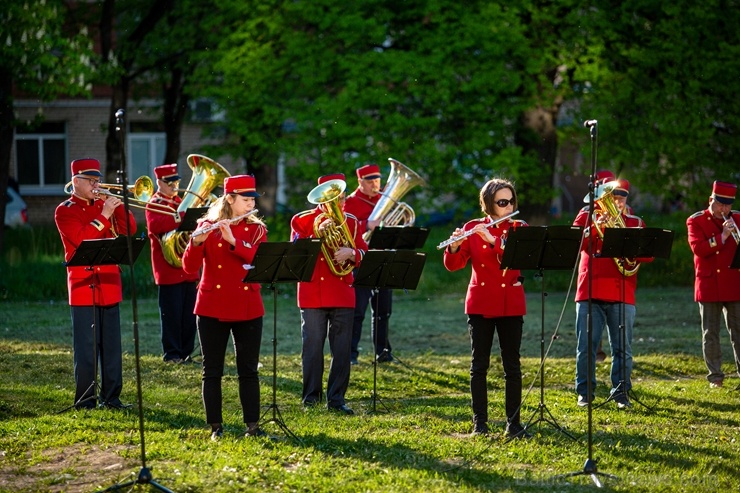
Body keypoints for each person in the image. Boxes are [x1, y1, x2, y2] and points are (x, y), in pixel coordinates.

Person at [181, 174, 267, 440]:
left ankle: (252, 425)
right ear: (229, 199)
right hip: (211, 306)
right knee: (212, 369)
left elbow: (260, 262)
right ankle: (215, 427)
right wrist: (195, 242)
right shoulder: (205, 225)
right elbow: (188, 268)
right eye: (245, 199)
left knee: (248, 369)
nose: (251, 203)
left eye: (252, 199)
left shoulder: (256, 229)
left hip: (247, 305)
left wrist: (233, 240)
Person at [442, 177, 529, 439]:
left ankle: (513, 423)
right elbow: (453, 265)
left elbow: (516, 262)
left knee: (512, 366)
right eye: (502, 202)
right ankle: (479, 423)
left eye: (511, 201)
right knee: (478, 365)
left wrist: (494, 240)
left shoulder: (520, 227)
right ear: (489, 203)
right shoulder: (473, 227)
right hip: (480, 302)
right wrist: (454, 246)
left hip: (511, 303)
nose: (508, 205)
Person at [54, 158, 137, 410]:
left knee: (112, 349)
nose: (96, 184)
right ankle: (85, 400)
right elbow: (81, 240)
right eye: (90, 180)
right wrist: (104, 214)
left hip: (109, 283)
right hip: (83, 287)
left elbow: (129, 231)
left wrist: (119, 206)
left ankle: (112, 397)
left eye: (97, 179)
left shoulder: (104, 204)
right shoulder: (64, 210)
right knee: (87, 350)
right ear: (75, 181)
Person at [290, 173, 369, 415]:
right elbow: (295, 253)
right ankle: (310, 399)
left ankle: (337, 399)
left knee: (342, 349)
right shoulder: (301, 220)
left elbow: (365, 252)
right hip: (313, 292)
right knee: (312, 348)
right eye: (336, 198)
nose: (342, 203)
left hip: (342, 291)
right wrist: (315, 234)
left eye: (343, 197)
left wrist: (352, 254)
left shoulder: (353, 222)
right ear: (321, 199)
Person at [573, 178, 651, 409]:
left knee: (623, 349)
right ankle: (585, 393)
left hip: (622, 291)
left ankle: (621, 393)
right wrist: (596, 228)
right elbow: (574, 245)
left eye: (621, 196)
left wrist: (627, 240)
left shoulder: (635, 222)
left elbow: (648, 255)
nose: (616, 201)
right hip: (590, 289)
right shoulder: (587, 215)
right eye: (612, 195)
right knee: (586, 347)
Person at [686, 181, 740, 389]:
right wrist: (723, 236)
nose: (724, 210)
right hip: (709, 283)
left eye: (728, 205)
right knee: (711, 333)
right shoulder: (696, 221)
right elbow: (698, 249)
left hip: (733, 283)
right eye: (720, 205)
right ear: (711, 200)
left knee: (738, 331)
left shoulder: (737, 218)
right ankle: (715, 376)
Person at [145, 164, 199, 364]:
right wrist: (183, 218)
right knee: (172, 315)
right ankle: (172, 354)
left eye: (176, 182)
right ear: (159, 182)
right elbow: (156, 226)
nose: (175, 186)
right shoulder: (154, 203)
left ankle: (186, 352)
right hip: (168, 268)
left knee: (189, 315)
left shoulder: (180, 202)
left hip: (187, 268)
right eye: (170, 183)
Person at [343, 163, 394, 365]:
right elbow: (346, 227)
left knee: (383, 311)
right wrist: (367, 225)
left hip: (383, 258)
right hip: (361, 261)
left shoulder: (385, 199)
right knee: (357, 311)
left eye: (377, 180)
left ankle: (383, 352)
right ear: (360, 182)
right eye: (370, 180)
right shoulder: (350, 202)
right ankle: (351, 354)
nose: (375, 184)